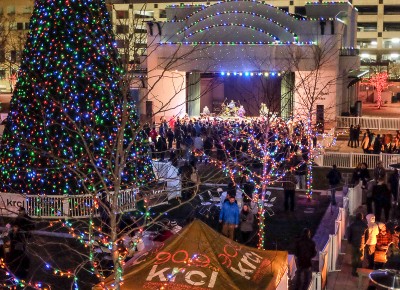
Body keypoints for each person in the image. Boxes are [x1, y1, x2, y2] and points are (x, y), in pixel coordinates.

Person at [347, 212, 368, 276]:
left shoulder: (352, 225)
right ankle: (359, 272)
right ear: (362, 218)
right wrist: (365, 243)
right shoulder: (365, 226)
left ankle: (354, 271)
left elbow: (349, 234)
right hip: (361, 244)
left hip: (354, 243)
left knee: (354, 257)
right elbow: (367, 236)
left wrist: (349, 241)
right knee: (360, 258)